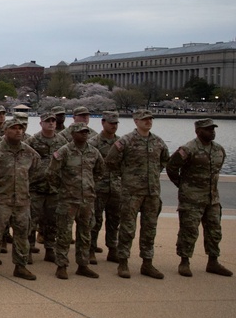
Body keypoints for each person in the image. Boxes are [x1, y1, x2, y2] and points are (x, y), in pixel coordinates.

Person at [105, 109, 170, 279]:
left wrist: (153, 173)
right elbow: (110, 161)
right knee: (127, 228)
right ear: (136, 121)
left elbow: (165, 160)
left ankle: (147, 263)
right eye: (144, 119)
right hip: (131, 192)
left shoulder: (158, 142)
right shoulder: (126, 141)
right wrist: (126, 175)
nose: (148, 122)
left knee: (150, 228)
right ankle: (123, 262)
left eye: (150, 119)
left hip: (152, 192)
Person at [167, 118, 232, 277]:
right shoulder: (188, 149)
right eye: (208, 129)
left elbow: (216, 171)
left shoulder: (219, 150)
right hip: (192, 200)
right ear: (198, 131)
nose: (212, 132)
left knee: (214, 231)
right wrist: (183, 186)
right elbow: (171, 167)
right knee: (189, 231)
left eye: (213, 129)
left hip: (212, 199)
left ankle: (213, 262)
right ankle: (184, 262)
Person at [0, 120, 41, 281]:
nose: (18, 131)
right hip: (0, 201)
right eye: (13, 128)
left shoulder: (29, 152)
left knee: (22, 235)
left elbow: (35, 172)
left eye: (20, 128)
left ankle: (20, 266)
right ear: (5, 130)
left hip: (22, 201)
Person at [46, 123, 104, 279]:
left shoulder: (94, 152)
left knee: (85, 234)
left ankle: (83, 265)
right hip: (68, 200)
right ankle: (61, 265)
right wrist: (62, 189)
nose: (84, 134)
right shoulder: (64, 151)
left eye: (86, 132)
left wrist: (89, 185)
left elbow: (100, 171)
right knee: (64, 234)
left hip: (87, 200)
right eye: (80, 132)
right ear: (72, 134)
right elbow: (51, 173)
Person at [26, 112, 61, 263]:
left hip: (54, 188)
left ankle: (50, 249)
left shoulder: (62, 141)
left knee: (52, 220)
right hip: (35, 187)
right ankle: (28, 249)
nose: (51, 123)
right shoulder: (32, 141)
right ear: (41, 124)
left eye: (53, 121)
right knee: (31, 220)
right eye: (47, 121)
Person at [90, 112, 122, 264]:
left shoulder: (121, 143)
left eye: (116, 123)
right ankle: (91, 249)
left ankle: (112, 249)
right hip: (98, 188)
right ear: (103, 123)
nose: (113, 126)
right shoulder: (93, 143)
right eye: (111, 123)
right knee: (94, 220)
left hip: (116, 187)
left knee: (114, 220)